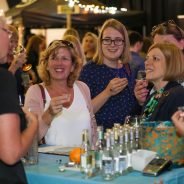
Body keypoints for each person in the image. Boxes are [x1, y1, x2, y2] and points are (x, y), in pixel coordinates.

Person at [24, 39, 97, 147]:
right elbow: (29, 140)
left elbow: (93, 128)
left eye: (64, 58)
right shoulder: (36, 92)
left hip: (85, 161)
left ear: (72, 66)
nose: (59, 63)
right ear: (46, 65)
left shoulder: (83, 88)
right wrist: (48, 114)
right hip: (51, 162)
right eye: (54, 58)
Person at [79, 18, 137, 130]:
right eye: (107, 39)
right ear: (100, 42)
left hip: (127, 137)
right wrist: (107, 93)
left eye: (118, 40)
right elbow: (82, 112)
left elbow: (131, 109)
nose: (112, 44)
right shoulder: (88, 71)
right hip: (101, 139)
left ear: (124, 44)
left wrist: (139, 100)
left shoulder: (128, 69)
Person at [0, 16, 38, 183]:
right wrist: (34, 124)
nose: (9, 38)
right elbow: (11, 154)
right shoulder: (3, 79)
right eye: (5, 31)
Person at [134, 20, 184, 105]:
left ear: (182, 44)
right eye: (156, 46)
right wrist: (142, 102)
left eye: (167, 44)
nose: (161, 50)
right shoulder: (152, 82)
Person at [136, 42, 184, 121]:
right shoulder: (153, 96)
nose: (146, 62)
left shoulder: (179, 94)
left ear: (171, 64)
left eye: (155, 58)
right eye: (147, 58)